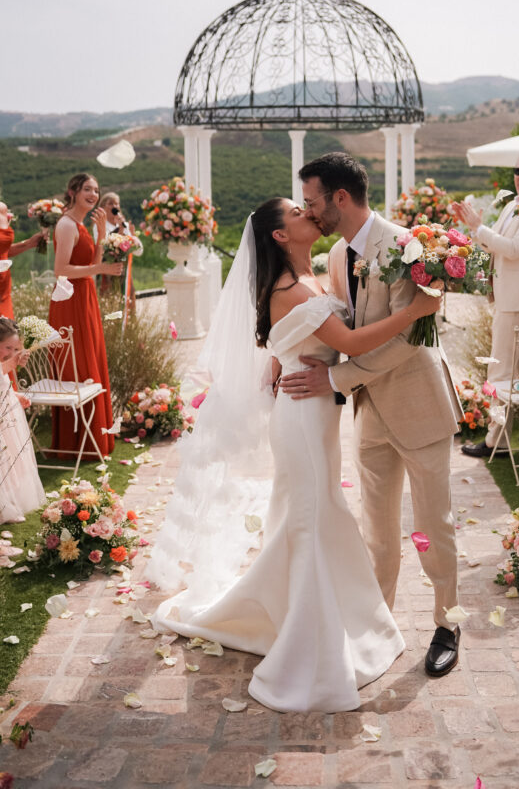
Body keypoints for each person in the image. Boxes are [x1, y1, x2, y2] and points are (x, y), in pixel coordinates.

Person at [152, 197, 441, 712]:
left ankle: (298, 611)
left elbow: (297, 341)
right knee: (313, 515)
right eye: (296, 212)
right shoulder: (292, 288)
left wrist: (279, 359)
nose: (309, 213)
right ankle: (312, 642)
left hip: (315, 411)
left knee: (309, 513)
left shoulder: (313, 274)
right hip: (304, 418)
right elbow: (350, 341)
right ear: (280, 236)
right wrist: (413, 312)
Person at [279, 153, 464, 679]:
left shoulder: (409, 247)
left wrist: (337, 380)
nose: (308, 212)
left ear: (340, 197)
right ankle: (377, 629)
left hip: (419, 404)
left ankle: (447, 625)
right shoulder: (338, 255)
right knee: (378, 533)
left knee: (434, 525)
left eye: (312, 201)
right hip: (370, 413)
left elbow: (409, 338)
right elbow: (343, 326)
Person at [453, 155, 519, 456]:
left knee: (500, 372)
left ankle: (496, 442)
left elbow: (513, 250)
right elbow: (493, 244)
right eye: (518, 170)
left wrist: (479, 227)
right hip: (509, 299)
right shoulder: (514, 204)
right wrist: (475, 231)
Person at [47, 174, 122, 460]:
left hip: (85, 298)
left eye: (96, 190)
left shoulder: (81, 225)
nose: (93, 194)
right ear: (73, 192)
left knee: (90, 362)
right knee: (76, 367)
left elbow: (92, 263)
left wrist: (101, 235)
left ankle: (92, 439)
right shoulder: (66, 225)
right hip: (69, 301)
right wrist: (100, 270)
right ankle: (74, 442)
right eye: (87, 189)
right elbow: (61, 270)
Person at [0, 317, 45, 523]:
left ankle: (9, 501)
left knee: (11, 461)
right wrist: (11, 363)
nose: (11, 352)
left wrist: (16, 396)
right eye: (8, 347)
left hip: (6, 412)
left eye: (15, 349)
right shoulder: (5, 363)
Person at [0, 201, 47, 319]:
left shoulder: (2, 208)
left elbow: (2, 251)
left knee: (6, 327)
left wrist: (28, 244)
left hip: (3, 289)